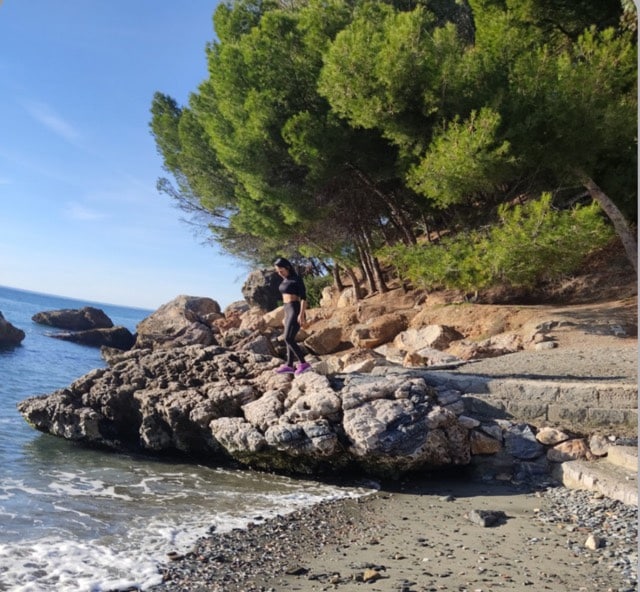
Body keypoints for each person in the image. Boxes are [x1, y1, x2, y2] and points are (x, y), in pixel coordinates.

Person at [273, 257, 311, 375]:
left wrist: (301, 314)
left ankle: (304, 363)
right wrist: (285, 315)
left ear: (287, 267)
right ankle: (289, 365)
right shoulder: (285, 280)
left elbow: (304, 298)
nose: (280, 273)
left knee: (288, 338)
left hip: (295, 309)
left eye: (281, 271)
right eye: (278, 272)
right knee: (289, 338)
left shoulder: (296, 279)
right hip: (288, 310)